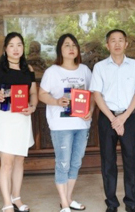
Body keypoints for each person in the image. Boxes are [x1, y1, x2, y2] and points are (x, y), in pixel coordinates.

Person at [90, 29, 135, 212]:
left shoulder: (134, 65)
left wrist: (123, 117)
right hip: (107, 118)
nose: (117, 44)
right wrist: (113, 119)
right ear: (107, 45)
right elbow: (97, 95)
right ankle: (111, 204)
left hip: (128, 117)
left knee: (131, 160)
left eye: (120, 40)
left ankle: (131, 203)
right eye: (113, 40)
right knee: (108, 162)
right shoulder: (100, 67)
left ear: (126, 44)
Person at [38, 34, 94, 212]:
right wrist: (56, 101)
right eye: (67, 45)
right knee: (63, 163)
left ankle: (69, 198)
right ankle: (63, 203)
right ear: (60, 50)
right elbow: (41, 94)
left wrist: (91, 111)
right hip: (61, 126)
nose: (71, 48)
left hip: (81, 124)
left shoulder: (85, 70)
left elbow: (92, 95)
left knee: (76, 162)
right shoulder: (52, 72)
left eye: (74, 45)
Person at [0, 32, 38, 212]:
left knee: (19, 161)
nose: (16, 49)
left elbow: (33, 93)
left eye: (19, 45)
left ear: (23, 48)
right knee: (7, 163)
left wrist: (32, 107)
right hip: (6, 119)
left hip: (23, 118)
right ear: (5, 49)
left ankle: (17, 197)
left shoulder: (28, 69)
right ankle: (7, 202)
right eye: (12, 45)